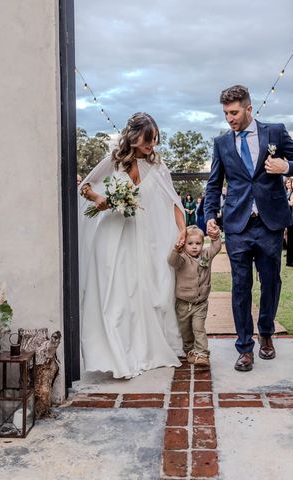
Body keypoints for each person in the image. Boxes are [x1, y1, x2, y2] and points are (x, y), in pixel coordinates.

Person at [77, 112, 186, 378]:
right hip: (113, 236)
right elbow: (85, 186)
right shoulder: (113, 161)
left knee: (145, 293)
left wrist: (182, 230)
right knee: (117, 295)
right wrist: (97, 198)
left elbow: (174, 202)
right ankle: (115, 354)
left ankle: (142, 350)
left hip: (144, 238)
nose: (152, 145)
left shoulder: (158, 166)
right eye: (148, 139)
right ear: (134, 136)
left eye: (155, 139)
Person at [204, 85, 293, 372]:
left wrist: (285, 166)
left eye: (234, 113)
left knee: (270, 283)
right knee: (240, 286)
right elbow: (213, 184)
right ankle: (244, 347)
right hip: (237, 225)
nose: (229, 119)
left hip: (270, 223)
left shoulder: (276, 132)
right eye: (225, 114)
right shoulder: (222, 143)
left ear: (249, 108)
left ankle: (267, 333)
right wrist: (210, 215)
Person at [167, 226, 222, 368]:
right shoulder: (182, 258)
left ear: (203, 244)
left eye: (198, 243)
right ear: (184, 243)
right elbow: (172, 262)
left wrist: (215, 237)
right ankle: (190, 351)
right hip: (183, 303)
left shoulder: (206, 255)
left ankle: (202, 354)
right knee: (186, 331)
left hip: (200, 303)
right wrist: (176, 250)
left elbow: (216, 248)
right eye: (190, 244)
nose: (194, 247)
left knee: (199, 328)